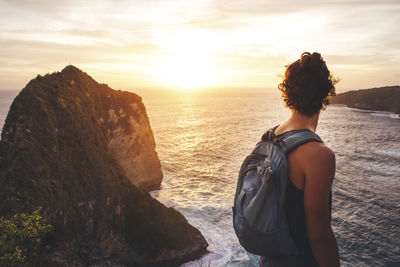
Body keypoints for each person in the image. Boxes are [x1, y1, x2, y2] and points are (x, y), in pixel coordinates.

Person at [259, 52, 340, 267]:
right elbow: (319, 237)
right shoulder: (320, 155)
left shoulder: (269, 137)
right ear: (327, 92)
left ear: (287, 92)